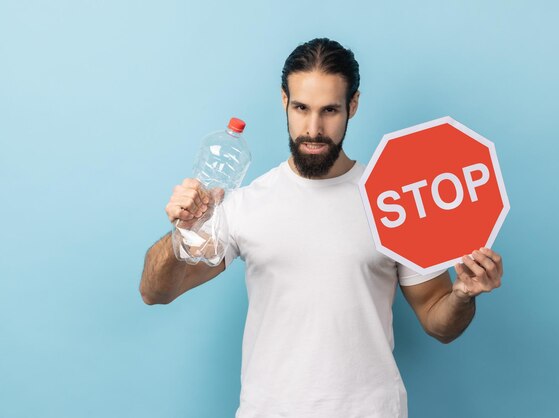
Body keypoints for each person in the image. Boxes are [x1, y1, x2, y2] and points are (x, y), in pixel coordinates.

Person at [140, 38, 504, 418]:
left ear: (353, 106)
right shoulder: (246, 202)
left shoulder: (393, 201)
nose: (313, 129)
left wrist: (463, 294)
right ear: (284, 102)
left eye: (329, 110)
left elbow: (437, 320)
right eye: (301, 108)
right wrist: (183, 232)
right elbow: (156, 292)